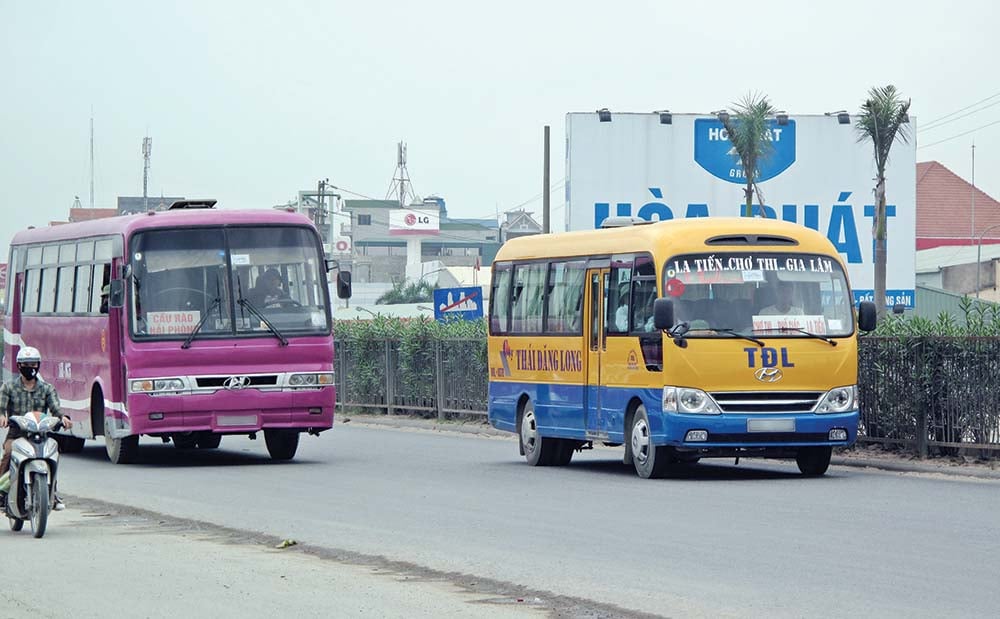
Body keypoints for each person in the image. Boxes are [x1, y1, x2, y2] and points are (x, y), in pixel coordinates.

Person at [0, 346, 71, 511]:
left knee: (53, 453)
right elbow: (1, 407)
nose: (29, 367)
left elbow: (55, 409)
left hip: (40, 436)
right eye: (26, 364)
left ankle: (52, 492)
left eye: (33, 364)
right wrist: (2, 416)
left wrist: (63, 418)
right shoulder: (9, 387)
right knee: (9, 452)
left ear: (38, 365)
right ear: (18, 366)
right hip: (16, 435)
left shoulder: (47, 389)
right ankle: (1, 493)